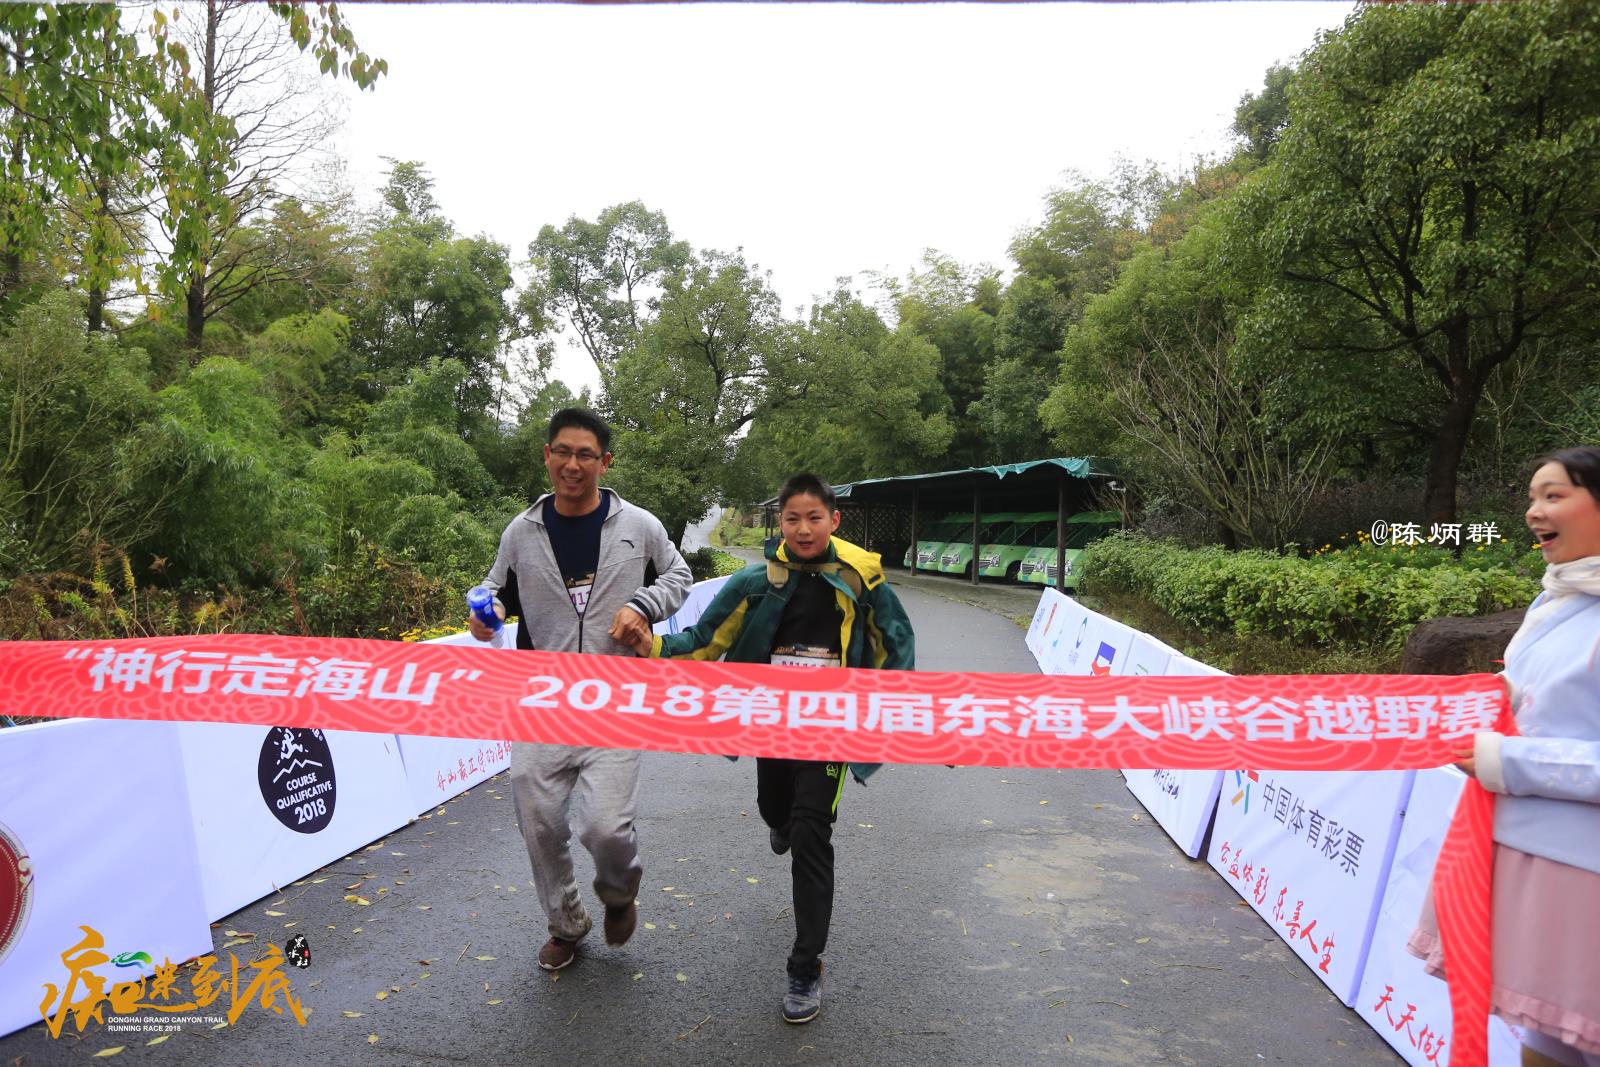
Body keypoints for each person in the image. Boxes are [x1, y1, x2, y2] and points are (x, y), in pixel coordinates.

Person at [623, 472, 914, 1024]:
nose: (803, 529)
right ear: (779, 522)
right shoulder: (757, 581)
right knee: (775, 810)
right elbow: (706, 641)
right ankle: (779, 822)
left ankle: (805, 967)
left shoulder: (862, 580)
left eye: (814, 518)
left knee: (811, 832)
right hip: (770, 727)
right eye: (792, 518)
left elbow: (896, 646)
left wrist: (911, 716)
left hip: (830, 731)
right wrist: (653, 645)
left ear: (834, 520)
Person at [468, 407, 692, 972]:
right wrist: (486, 613)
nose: (573, 464)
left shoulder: (638, 526)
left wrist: (643, 605)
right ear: (547, 456)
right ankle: (565, 925)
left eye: (585, 455)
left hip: (614, 701)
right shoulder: (521, 532)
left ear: (604, 462)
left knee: (604, 828)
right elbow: (494, 590)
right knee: (538, 820)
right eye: (563, 452)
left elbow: (679, 576)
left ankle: (618, 893)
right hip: (542, 702)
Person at [1408, 446, 1600, 1067]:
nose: (1533, 512)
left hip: (1582, 871)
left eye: (1554, 496)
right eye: (1532, 497)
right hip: (1515, 850)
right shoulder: (1557, 598)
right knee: (1547, 1040)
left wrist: (1506, 760)